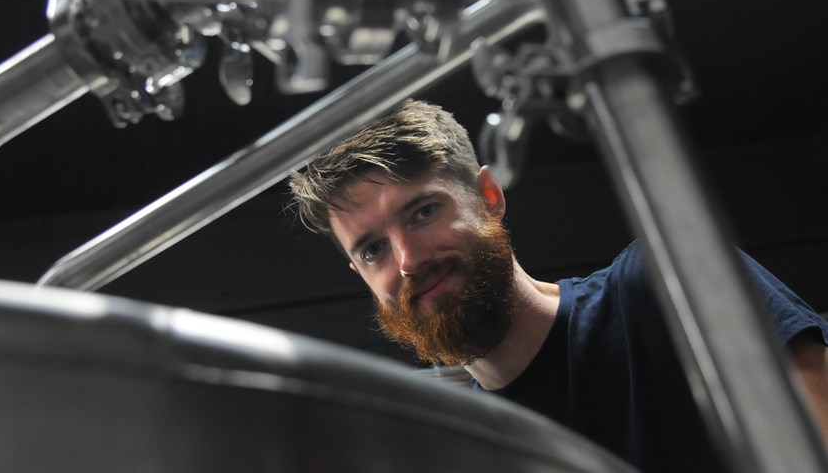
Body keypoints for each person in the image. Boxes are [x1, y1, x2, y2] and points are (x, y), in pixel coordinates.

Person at [288, 99, 828, 472]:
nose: (407, 260)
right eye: (372, 249)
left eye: (424, 211)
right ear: (360, 275)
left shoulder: (663, 286)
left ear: (488, 198)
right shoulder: (477, 449)